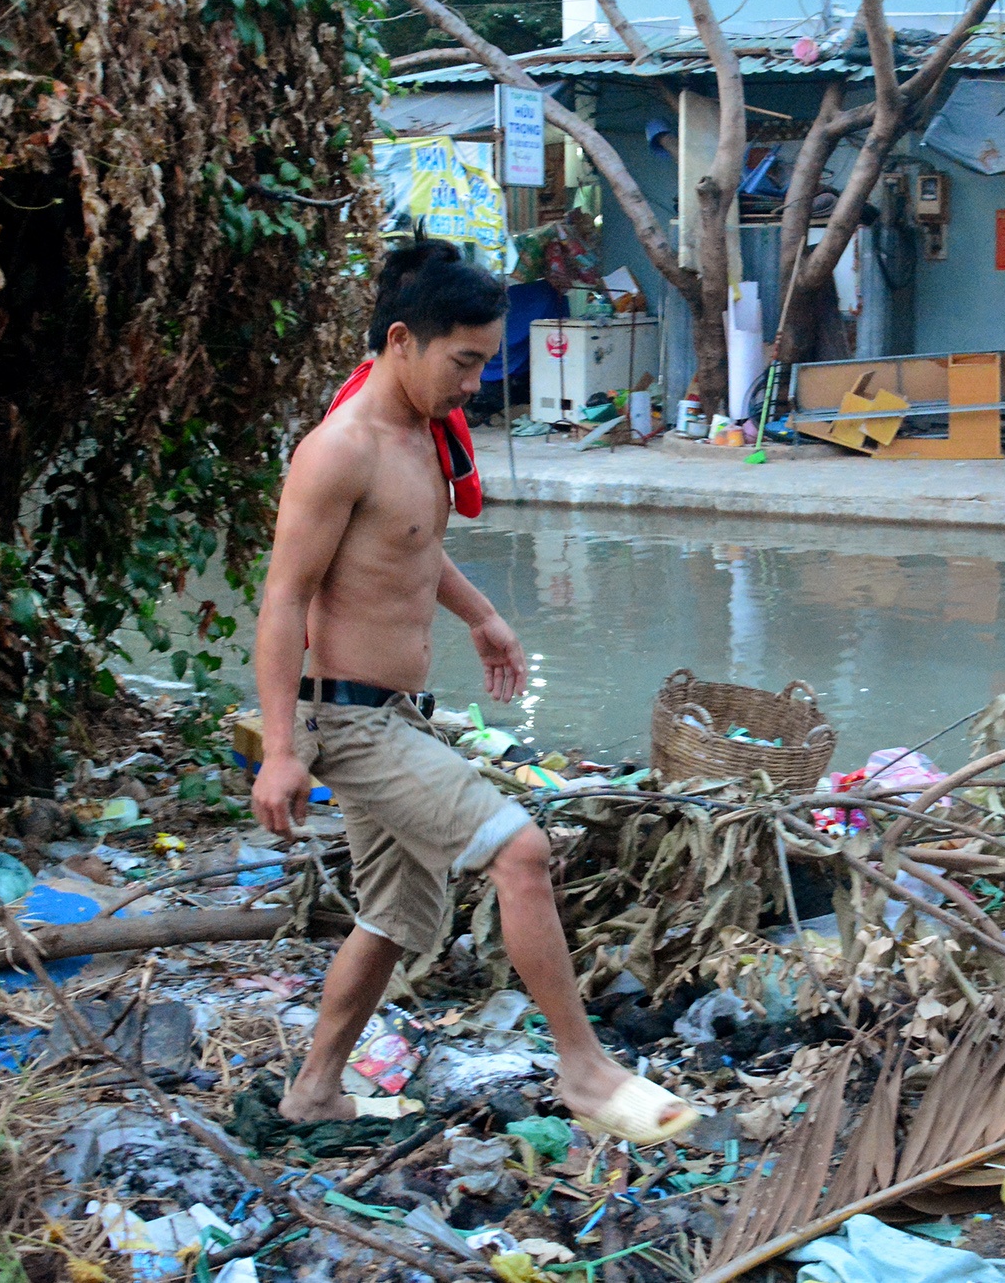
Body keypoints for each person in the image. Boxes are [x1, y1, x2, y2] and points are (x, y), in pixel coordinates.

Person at [250, 232, 696, 1145]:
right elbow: (284, 596)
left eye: (485, 363)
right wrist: (280, 749)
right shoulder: (339, 449)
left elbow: (412, 545)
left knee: (392, 917)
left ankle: (314, 1093)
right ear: (404, 340)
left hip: (398, 713)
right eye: (465, 361)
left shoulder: (418, 434)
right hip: (350, 722)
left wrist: (482, 615)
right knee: (520, 850)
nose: (475, 383)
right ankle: (584, 1067)